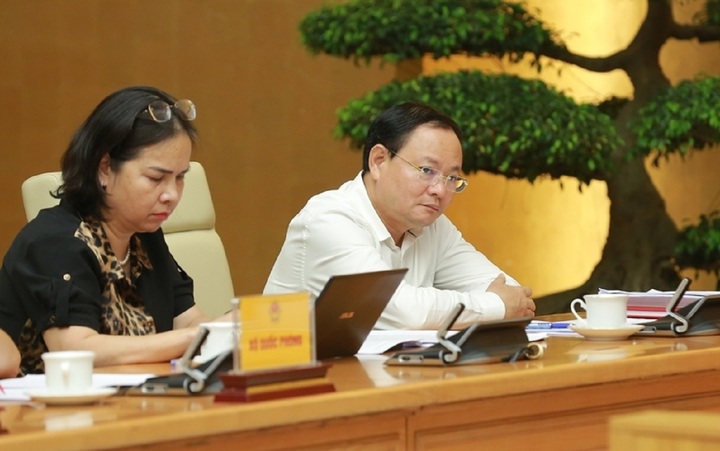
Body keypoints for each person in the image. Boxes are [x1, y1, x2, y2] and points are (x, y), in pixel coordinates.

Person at [0, 86, 228, 375]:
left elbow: (188, 321)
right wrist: (198, 336)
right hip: (38, 413)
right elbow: (76, 349)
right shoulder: (55, 241)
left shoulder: (144, 235)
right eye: (156, 177)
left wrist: (231, 327)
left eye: (180, 177)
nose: (171, 194)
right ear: (105, 168)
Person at [264, 102, 535, 330]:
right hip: (302, 384)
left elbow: (512, 293)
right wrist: (494, 306)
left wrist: (498, 303)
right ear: (379, 161)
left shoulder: (434, 227)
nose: (440, 190)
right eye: (427, 170)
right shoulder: (328, 219)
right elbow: (398, 311)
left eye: (452, 177)